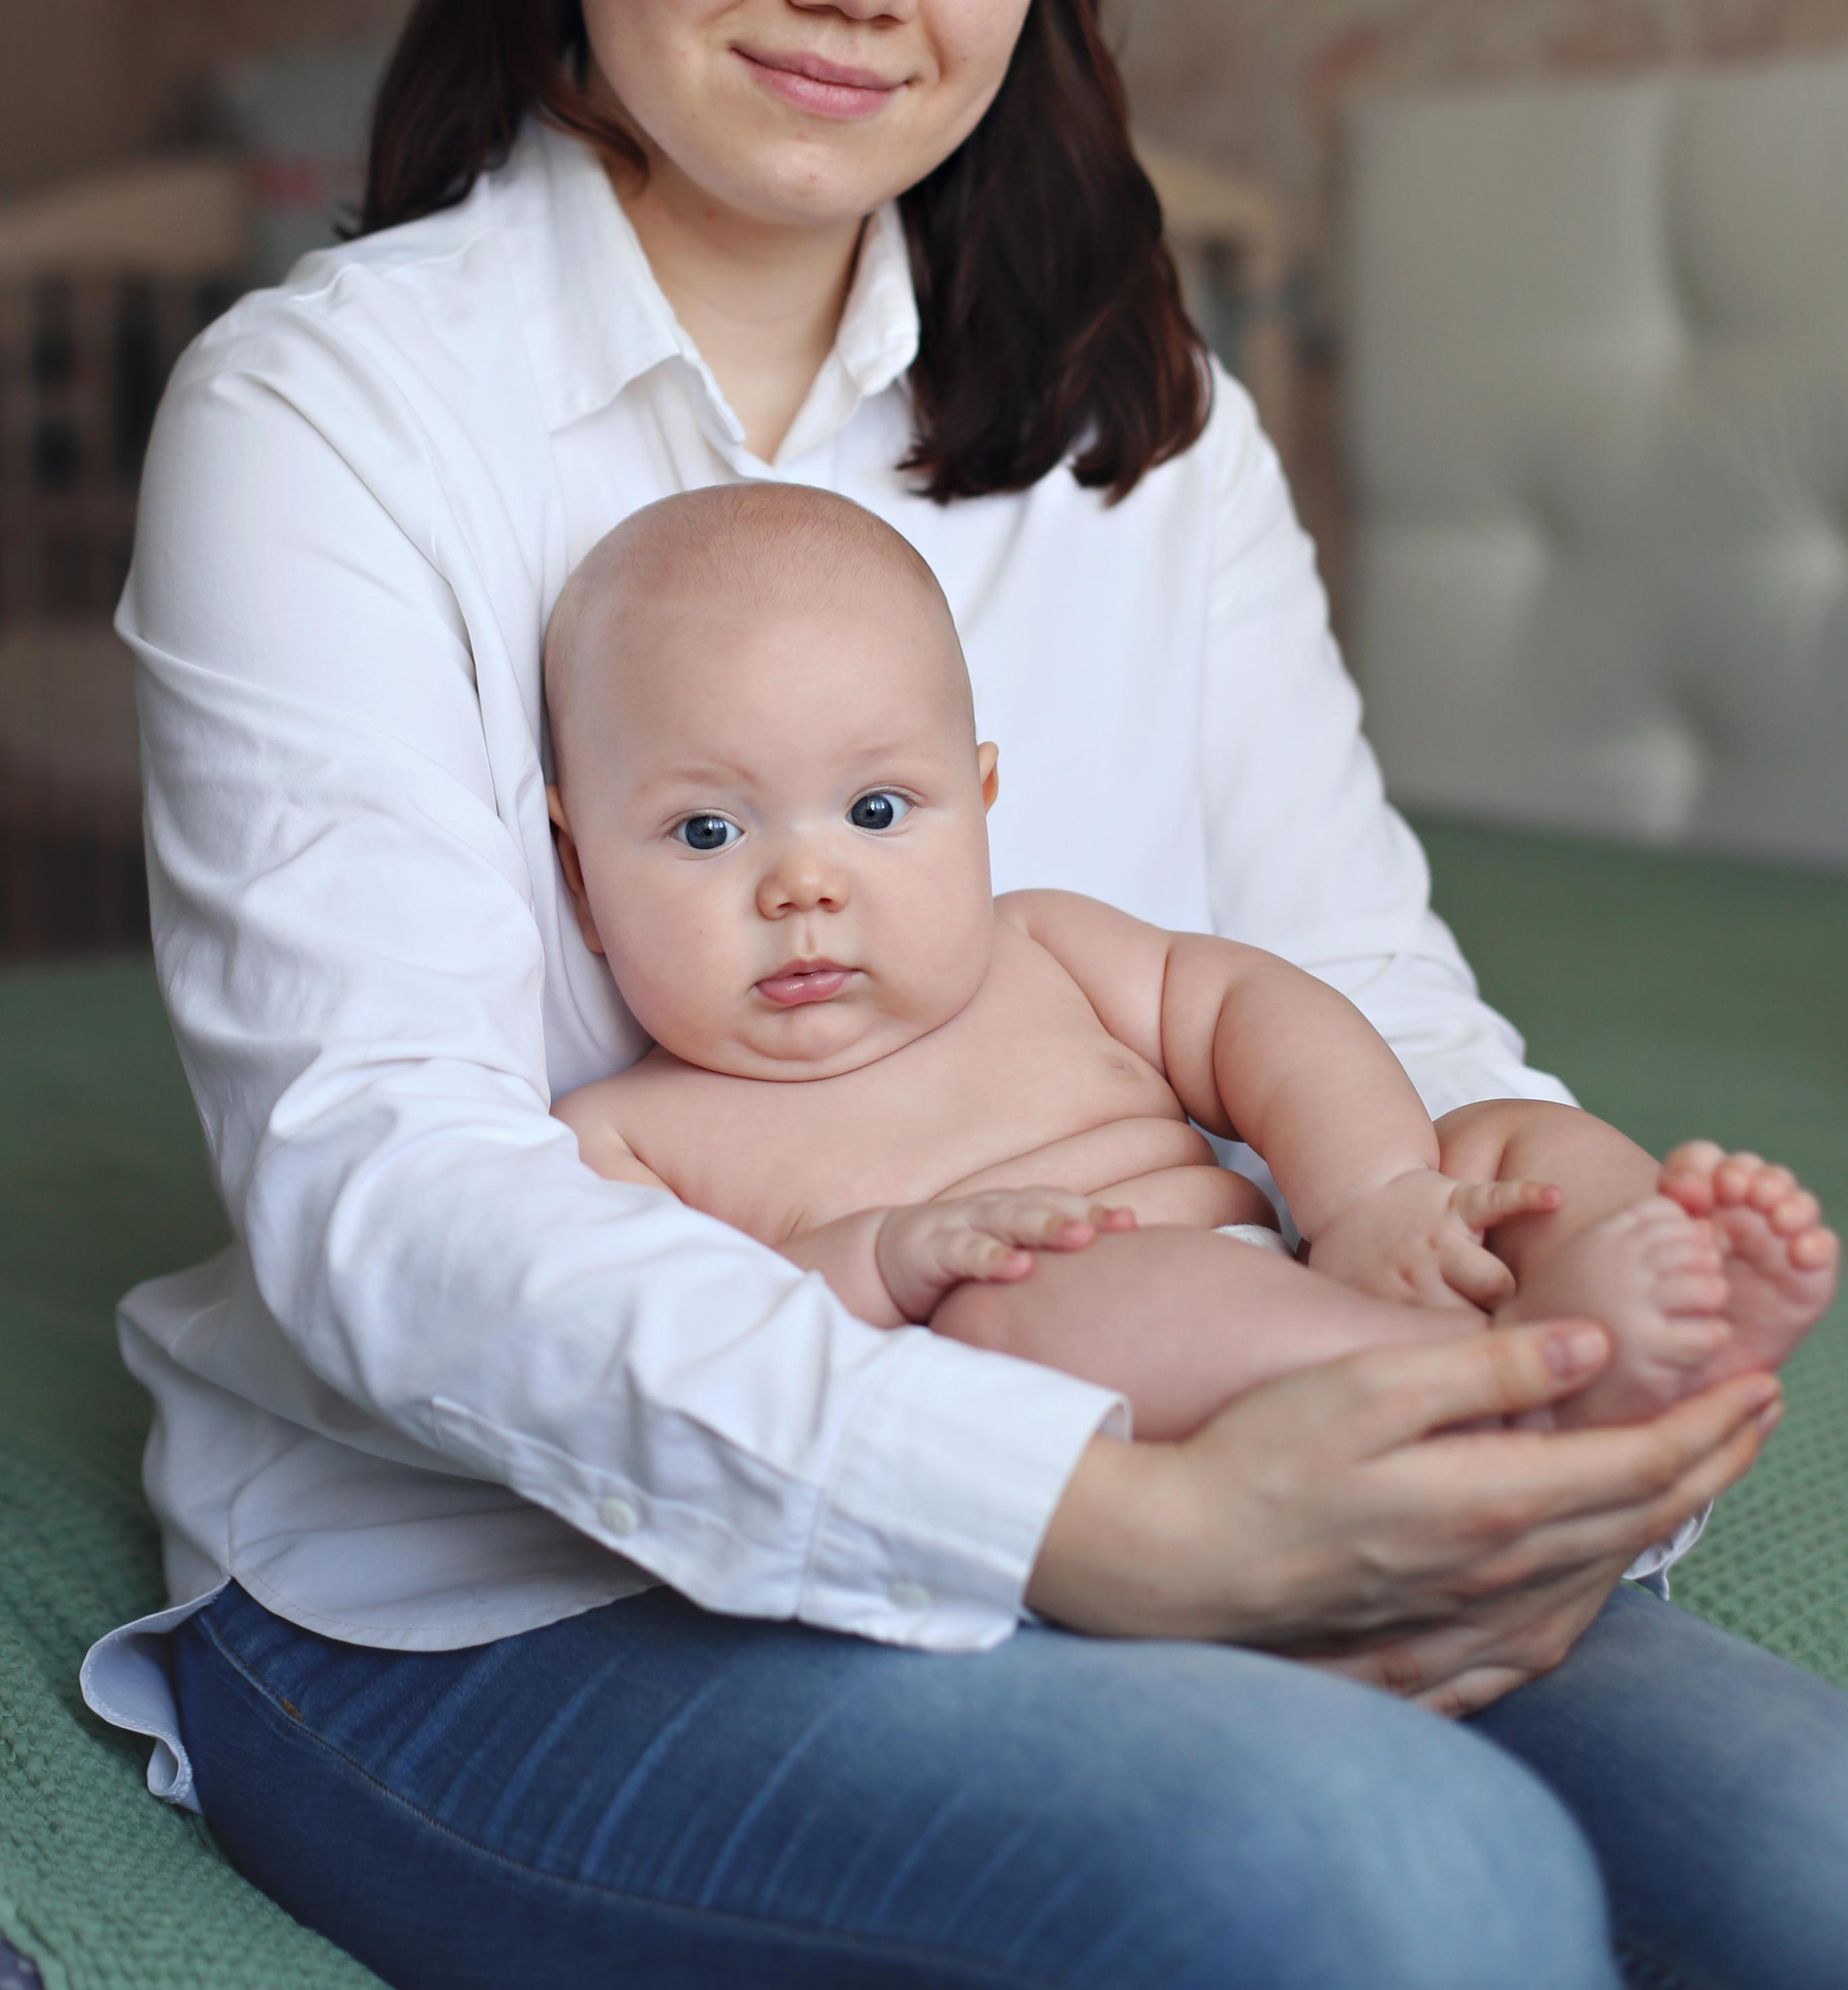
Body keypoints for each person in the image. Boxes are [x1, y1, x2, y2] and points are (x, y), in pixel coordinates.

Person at [79, 0, 1848, 1990]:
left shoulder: (1144, 416)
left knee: (1810, 1863)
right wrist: (1077, 1526)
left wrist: (1555, 1295)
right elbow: (389, 1197)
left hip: (1208, 1423)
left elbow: (1364, 978)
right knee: (1405, 1888)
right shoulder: (330, 412)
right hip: (487, 1590)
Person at [546, 482, 1836, 1437]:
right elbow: (683, 1350)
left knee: (1506, 1138)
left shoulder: (1041, 945)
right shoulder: (625, 1137)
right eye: (707, 830)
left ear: (982, 800)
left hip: (1317, 1266)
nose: (805, 885)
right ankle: (1497, 1398)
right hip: (1131, 1408)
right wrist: (880, 1260)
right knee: (1018, 1313)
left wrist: (1372, 1192)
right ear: (579, 877)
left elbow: (1257, 1010)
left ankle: (1627, 1315)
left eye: (878, 811)